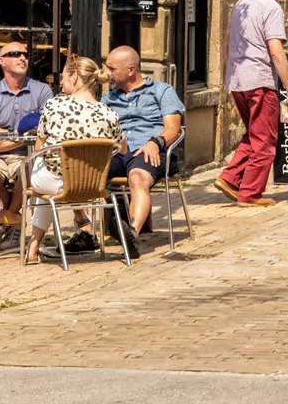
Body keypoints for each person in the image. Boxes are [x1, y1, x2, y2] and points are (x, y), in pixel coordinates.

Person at [20, 56, 122, 264]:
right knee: (52, 186)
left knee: (42, 173)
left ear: (75, 77)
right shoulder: (108, 112)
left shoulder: (54, 105)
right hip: (93, 184)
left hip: (56, 182)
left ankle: (33, 245)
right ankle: (38, 244)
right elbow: (122, 148)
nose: (60, 82)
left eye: (64, 77)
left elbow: (39, 147)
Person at [215, 0, 288, 207]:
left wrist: (227, 74)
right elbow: (276, 50)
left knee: (254, 133)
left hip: (238, 79)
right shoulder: (272, 7)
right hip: (259, 79)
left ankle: (230, 178)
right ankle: (250, 193)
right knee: (265, 140)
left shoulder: (242, 2)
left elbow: (228, 40)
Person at [0, 38, 53, 252]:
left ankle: (4, 223)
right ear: (1, 61)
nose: (22, 58)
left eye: (25, 54)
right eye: (15, 54)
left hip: (27, 155)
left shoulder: (42, 92)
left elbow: (44, 135)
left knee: (29, 172)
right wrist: (21, 136)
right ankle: (13, 222)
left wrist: (2, 136)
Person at [103, 45, 185, 250]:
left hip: (149, 149)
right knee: (85, 175)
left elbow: (173, 128)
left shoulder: (161, 91)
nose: (107, 73)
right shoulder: (108, 99)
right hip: (116, 151)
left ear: (131, 70)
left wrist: (155, 142)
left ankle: (131, 232)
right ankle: (86, 232)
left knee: (137, 178)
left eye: (112, 68)